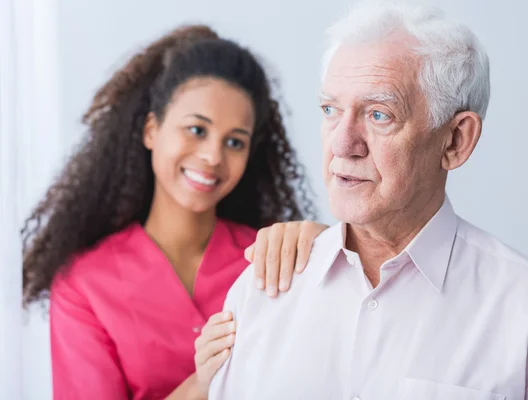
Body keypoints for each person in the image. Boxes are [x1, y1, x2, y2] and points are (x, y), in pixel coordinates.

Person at [206, 2, 528, 399]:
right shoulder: (260, 290)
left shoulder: (518, 308)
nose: (342, 144)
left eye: (379, 115)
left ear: (455, 140)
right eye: (331, 110)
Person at [21, 25, 328, 400]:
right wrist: (201, 385)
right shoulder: (84, 285)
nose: (213, 156)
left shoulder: (271, 261)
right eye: (197, 130)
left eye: (234, 141)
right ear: (152, 130)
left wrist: (327, 250)